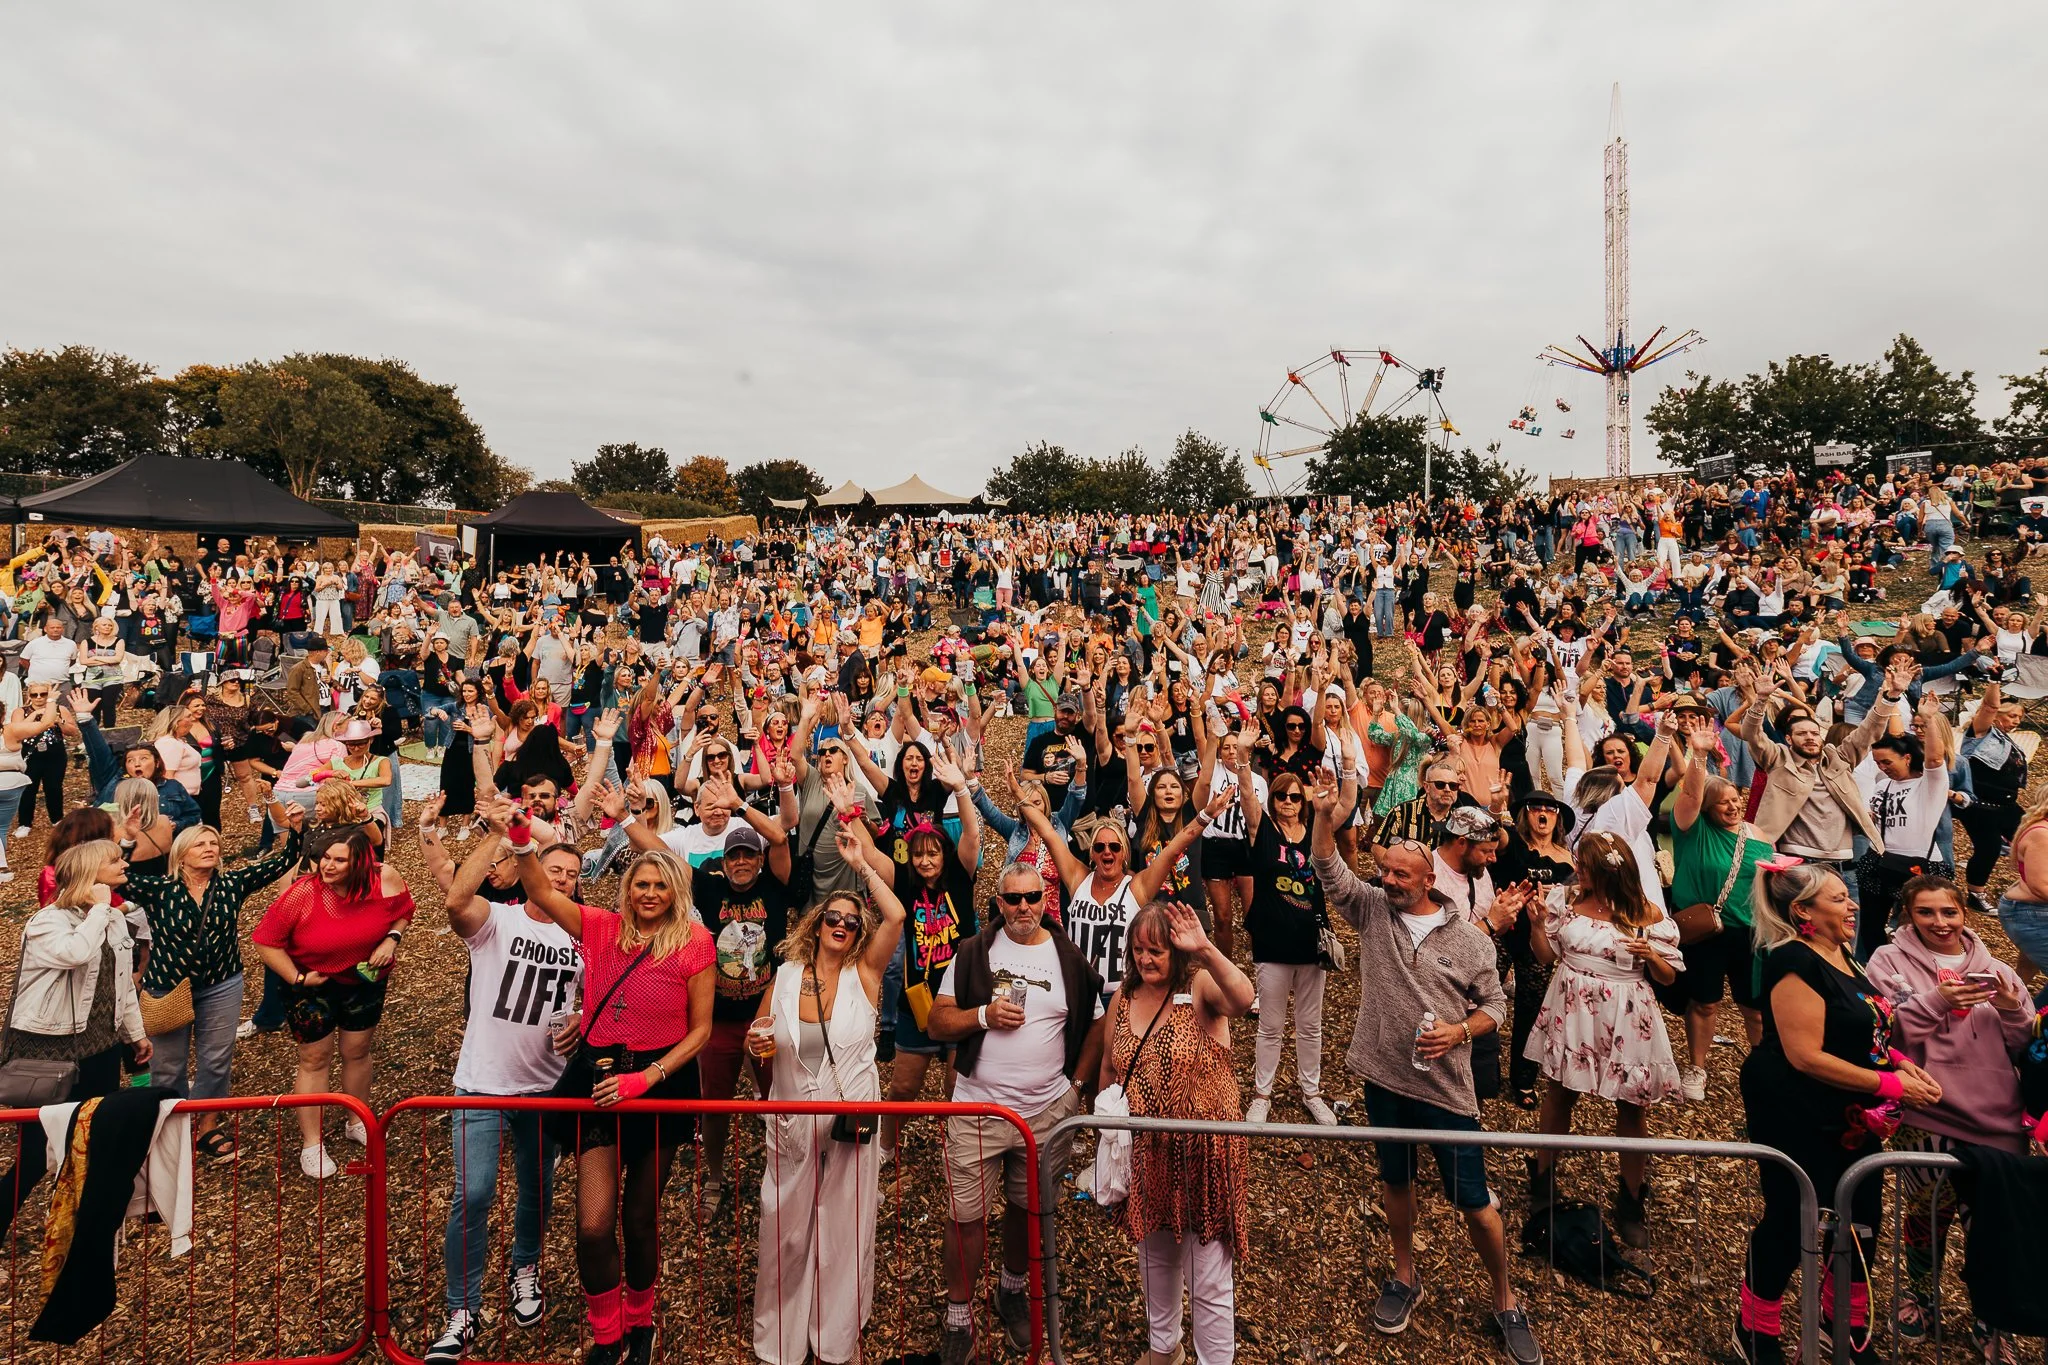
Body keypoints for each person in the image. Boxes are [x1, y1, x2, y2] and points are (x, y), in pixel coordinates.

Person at [1306, 770, 1539, 1365]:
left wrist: (1460, 1031)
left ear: (1429, 881)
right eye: (1384, 872)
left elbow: (1495, 1005)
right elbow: (1329, 868)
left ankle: (1506, 1299)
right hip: (1384, 1079)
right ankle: (1405, 1276)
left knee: (1474, 1202)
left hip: (1447, 1092)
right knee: (1397, 1184)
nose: (1387, 882)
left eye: (1399, 875)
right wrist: (1322, 813)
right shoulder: (1373, 910)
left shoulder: (1471, 941)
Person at [511, 819, 715, 1365]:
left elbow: (700, 1031)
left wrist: (648, 1079)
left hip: (660, 1082)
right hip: (599, 1077)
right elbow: (536, 888)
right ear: (627, 891)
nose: (649, 894)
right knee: (594, 1223)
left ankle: (641, 1322)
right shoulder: (600, 927)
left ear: (676, 892)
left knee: (640, 1215)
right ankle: (607, 1334)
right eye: (640, 886)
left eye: (659, 886)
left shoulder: (695, 942)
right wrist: (518, 835)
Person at [1733, 862, 1941, 1365]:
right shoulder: (1791, 960)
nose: (1853, 905)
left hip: (1850, 1112)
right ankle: (1756, 1330)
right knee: (1791, 1219)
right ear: (1801, 911)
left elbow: (1860, 1027)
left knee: (1860, 1216)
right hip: (1796, 1109)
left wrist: (1899, 1060)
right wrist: (1889, 1083)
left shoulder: (1844, 954)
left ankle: (1841, 1325)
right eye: (1837, 899)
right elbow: (1805, 1054)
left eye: (1848, 897)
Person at [421, 809, 585, 1364]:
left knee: (537, 1191)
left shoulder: (584, 938)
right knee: (472, 1193)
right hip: (483, 1086)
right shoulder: (500, 920)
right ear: (530, 868)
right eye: (552, 869)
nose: (561, 880)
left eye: (570, 875)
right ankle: (462, 1310)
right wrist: (497, 833)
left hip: (546, 1088)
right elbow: (453, 903)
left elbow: (603, 1002)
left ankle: (525, 1267)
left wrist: (582, 1021)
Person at [928, 861, 1107, 1365]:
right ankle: (959, 1316)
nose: (1023, 907)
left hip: (1045, 1112)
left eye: (1032, 898)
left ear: (1046, 900)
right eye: (1013, 899)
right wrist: (982, 1015)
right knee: (966, 1217)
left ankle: (1011, 1290)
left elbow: (1096, 1024)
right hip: (976, 1108)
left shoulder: (1069, 957)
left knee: (1027, 1210)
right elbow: (938, 1022)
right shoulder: (972, 953)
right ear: (999, 902)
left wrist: (1076, 1088)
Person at [745, 830, 907, 1365]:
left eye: (850, 921)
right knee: (786, 1232)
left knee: (846, 1233)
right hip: (791, 1127)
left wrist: (862, 867)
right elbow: (759, 1048)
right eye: (833, 918)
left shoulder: (866, 974)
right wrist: (754, 1048)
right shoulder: (786, 978)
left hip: (852, 1129)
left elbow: (898, 916)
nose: (841, 925)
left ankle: (836, 1340)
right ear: (816, 925)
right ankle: (783, 1339)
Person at [616, 773, 796, 1222]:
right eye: (733, 855)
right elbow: (655, 852)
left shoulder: (775, 885)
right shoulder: (709, 885)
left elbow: (777, 835)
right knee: (714, 1105)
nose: (740, 862)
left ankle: (785, 1172)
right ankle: (714, 1177)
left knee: (778, 1100)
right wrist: (621, 816)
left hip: (765, 1016)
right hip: (715, 1019)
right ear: (725, 860)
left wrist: (738, 806)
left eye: (747, 855)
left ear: (757, 860)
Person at [1866, 876, 2034, 1355]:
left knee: (1992, 1229)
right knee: (1925, 1221)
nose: (1940, 923)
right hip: (1930, 1113)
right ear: (1907, 916)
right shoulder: (1887, 963)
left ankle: (1990, 1316)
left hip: (1999, 1120)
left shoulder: (1999, 969)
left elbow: (2024, 1048)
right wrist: (1940, 1000)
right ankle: (1920, 1299)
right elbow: (1886, 1038)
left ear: (1965, 914)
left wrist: (2010, 1010)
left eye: (1949, 912)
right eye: (1926, 913)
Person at [1099, 900, 1255, 1365]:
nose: (1146, 959)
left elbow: (1245, 999)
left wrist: (1206, 949)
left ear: (1177, 951)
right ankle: (1164, 1347)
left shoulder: (1200, 986)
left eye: (1157, 950)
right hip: (1147, 1155)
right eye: (1139, 950)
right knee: (1156, 1260)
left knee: (1208, 1277)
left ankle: (1214, 1360)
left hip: (1205, 1154)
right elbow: (1111, 1066)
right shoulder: (1123, 998)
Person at [1524, 831, 1682, 1249]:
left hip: (1627, 1012)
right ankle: (1543, 1182)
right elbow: (1544, 956)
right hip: (1571, 1003)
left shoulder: (1645, 913)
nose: (1577, 871)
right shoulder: (1566, 900)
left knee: (1632, 1106)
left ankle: (1631, 1200)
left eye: (1584, 866)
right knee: (1559, 1094)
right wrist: (1538, 924)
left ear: (1609, 871)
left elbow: (1668, 977)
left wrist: (1651, 957)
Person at [124, 809, 305, 1158]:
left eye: (214, 843)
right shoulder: (161, 889)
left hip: (221, 983)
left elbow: (283, 862)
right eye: (200, 844)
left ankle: (207, 1126)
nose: (209, 848)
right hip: (168, 986)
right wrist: (128, 839)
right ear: (182, 853)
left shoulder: (231, 884)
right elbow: (118, 877)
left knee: (216, 1059)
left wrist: (296, 829)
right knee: (169, 1065)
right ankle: (171, 1126)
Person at [0, 840, 150, 1237]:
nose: (123, 863)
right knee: (37, 1151)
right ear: (89, 872)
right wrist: (101, 909)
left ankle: (80, 1227)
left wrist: (135, 1035)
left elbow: (121, 981)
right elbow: (75, 954)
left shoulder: (111, 918)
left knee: (94, 1135)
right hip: (49, 1050)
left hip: (99, 1047)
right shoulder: (46, 921)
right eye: (114, 860)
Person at [251, 826, 414, 1179]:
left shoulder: (384, 878)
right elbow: (265, 940)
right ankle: (312, 1143)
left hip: (364, 980)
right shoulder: (302, 894)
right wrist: (296, 977)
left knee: (357, 1050)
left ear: (360, 862)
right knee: (314, 1058)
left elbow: (404, 909)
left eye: (340, 860)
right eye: (326, 857)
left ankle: (357, 1118)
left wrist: (392, 939)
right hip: (311, 984)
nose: (328, 865)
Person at [1669, 725, 1773, 1102]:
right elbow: (1691, 794)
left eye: (1735, 799)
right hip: (1707, 930)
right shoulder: (1692, 830)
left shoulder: (1758, 835)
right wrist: (1698, 756)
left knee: (1755, 1008)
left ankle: (1765, 1067)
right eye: (1723, 802)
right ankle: (1697, 1067)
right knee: (1704, 1001)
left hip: (1751, 931)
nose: (1732, 806)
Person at [1232, 763, 1336, 1125]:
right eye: (1281, 796)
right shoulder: (1263, 830)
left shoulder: (1316, 834)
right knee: (1271, 1026)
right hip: (1272, 942)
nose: (1289, 802)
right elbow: (1246, 796)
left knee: (1310, 1025)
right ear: (1272, 798)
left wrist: (1348, 770)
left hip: (1311, 943)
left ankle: (1312, 1092)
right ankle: (1263, 1094)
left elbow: (1344, 805)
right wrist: (1244, 759)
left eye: (1295, 796)